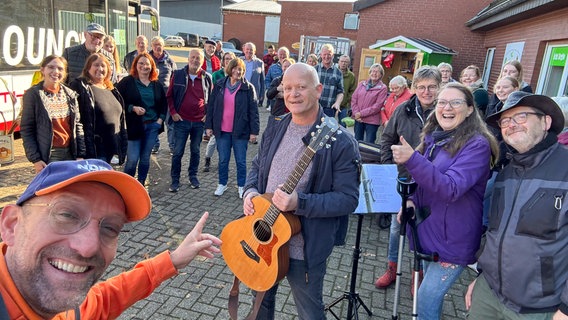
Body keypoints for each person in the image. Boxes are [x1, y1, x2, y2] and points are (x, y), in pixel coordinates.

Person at [0, 159, 221, 319]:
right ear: (11, 225)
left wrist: (173, 260)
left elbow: (109, 298)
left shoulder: (70, 311)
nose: (88, 247)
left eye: (111, 228)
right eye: (67, 215)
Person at [242, 63, 360, 319]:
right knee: (260, 305)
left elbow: (348, 199)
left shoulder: (339, 140)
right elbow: (258, 165)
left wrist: (299, 202)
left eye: (301, 87)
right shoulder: (276, 125)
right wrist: (250, 191)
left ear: (318, 90)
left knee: (309, 311)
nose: (293, 94)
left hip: (304, 250)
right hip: (263, 238)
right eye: (288, 88)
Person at [391, 82, 499, 319]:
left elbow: (450, 188)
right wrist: (409, 200)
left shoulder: (477, 145)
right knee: (428, 298)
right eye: (442, 102)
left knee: (427, 298)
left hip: (453, 239)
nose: (446, 107)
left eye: (455, 102)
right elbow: (424, 180)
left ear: (470, 109)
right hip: (431, 231)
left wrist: (412, 159)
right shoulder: (435, 137)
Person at [465, 91, 568, 320]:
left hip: (540, 309)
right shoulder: (506, 174)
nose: (511, 125)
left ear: (546, 121)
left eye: (520, 116)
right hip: (489, 294)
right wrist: (481, 277)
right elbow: (495, 234)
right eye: (505, 121)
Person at [376, 66, 441, 290]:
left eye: (432, 87)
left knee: (423, 229)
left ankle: (417, 273)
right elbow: (386, 139)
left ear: (439, 87)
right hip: (403, 180)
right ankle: (392, 268)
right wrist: (388, 170)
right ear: (414, 88)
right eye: (421, 87)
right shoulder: (403, 110)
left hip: (432, 182)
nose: (426, 92)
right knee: (397, 227)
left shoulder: (445, 112)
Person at [21, 55, 86, 173]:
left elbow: (78, 125)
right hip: (50, 154)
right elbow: (27, 129)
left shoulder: (70, 95)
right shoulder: (33, 95)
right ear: (42, 70)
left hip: (71, 152)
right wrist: (36, 159)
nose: (56, 71)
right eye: (51, 67)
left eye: (60, 69)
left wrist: (80, 154)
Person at [205, 58, 259, 198]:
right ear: (230, 69)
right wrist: (209, 126)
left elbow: (254, 111)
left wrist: (254, 131)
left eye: (240, 69)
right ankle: (222, 184)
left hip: (240, 132)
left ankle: (242, 186)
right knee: (223, 160)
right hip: (222, 131)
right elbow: (211, 106)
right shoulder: (219, 85)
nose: (237, 71)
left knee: (241, 161)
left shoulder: (248, 88)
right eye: (235, 68)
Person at [116, 52, 167, 186]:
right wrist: (132, 108)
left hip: (152, 127)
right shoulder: (127, 82)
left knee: (145, 159)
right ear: (135, 65)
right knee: (132, 159)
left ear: (152, 66)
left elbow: (163, 104)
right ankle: (127, 186)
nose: (144, 66)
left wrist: (159, 121)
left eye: (147, 64)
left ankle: (141, 184)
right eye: (141, 63)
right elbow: (116, 99)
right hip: (134, 127)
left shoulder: (156, 85)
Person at [167, 49, 213, 192]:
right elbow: (169, 96)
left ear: (202, 60)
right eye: (192, 57)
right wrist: (173, 112)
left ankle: (193, 176)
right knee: (178, 151)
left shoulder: (207, 77)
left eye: (198, 58)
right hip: (181, 121)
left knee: (196, 150)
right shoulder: (178, 74)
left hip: (199, 122)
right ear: (188, 59)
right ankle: (175, 180)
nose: (195, 60)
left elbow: (211, 99)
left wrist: (207, 115)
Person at [69, 53, 128, 165]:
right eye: (96, 65)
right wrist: (80, 151)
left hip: (112, 147)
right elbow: (76, 120)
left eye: (103, 66)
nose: (100, 69)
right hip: (95, 149)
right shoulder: (81, 87)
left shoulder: (111, 89)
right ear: (88, 68)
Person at [204, 51, 237, 173]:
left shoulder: (237, 75)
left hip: (229, 116)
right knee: (213, 140)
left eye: (231, 59)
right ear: (223, 61)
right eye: (226, 59)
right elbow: (212, 95)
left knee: (226, 143)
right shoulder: (217, 75)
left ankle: (223, 162)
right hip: (218, 113)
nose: (228, 61)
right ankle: (207, 158)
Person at [148, 36, 178, 155]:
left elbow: (174, 78)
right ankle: (154, 145)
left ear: (163, 46)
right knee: (153, 122)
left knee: (170, 123)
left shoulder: (169, 61)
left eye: (159, 44)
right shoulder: (147, 59)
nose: (157, 47)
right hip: (152, 97)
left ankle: (172, 146)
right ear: (152, 46)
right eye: (155, 44)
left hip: (167, 97)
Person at [350, 63, 388, 143]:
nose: (374, 73)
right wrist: (356, 113)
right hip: (359, 119)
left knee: (368, 144)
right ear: (369, 72)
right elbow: (354, 98)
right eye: (373, 71)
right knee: (357, 141)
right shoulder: (361, 84)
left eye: (377, 72)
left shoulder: (383, 88)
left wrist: (361, 113)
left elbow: (377, 106)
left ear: (381, 75)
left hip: (372, 122)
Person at [314, 44, 344, 118]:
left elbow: (341, 92)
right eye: (324, 54)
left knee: (327, 129)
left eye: (329, 54)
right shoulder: (314, 70)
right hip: (315, 107)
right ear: (321, 55)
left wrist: (337, 103)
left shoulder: (338, 73)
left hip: (329, 109)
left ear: (333, 55)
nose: (326, 57)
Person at [241, 42, 265, 108]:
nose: (249, 51)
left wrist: (261, 97)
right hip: (240, 92)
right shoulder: (239, 61)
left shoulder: (259, 63)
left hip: (253, 94)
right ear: (244, 50)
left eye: (251, 50)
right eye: (247, 49)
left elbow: (262, 81)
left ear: (254, 51)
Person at [338, 54, 357, 123]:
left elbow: (353, 91)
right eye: (342, 61)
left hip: (344, 106)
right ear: (338, 62)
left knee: (342, 125)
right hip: (331, 105)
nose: (343, 63)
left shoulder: (351, 76)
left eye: (345, 62)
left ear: (348, 63)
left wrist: (346, 99)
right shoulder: (334, 72)